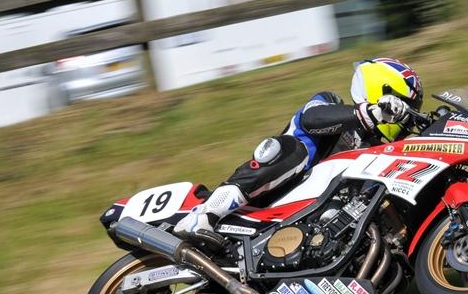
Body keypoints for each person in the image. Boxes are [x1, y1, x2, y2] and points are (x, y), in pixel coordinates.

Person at [174, 57, 424, 234]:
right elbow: (311, 119)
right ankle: (206, 214)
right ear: (382, 92)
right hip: (274, 199)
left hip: (312, 221)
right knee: (290, 148)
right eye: (404, 108)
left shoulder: (378, 150)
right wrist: (369, 113)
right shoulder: (330, 104)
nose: (404, 118)